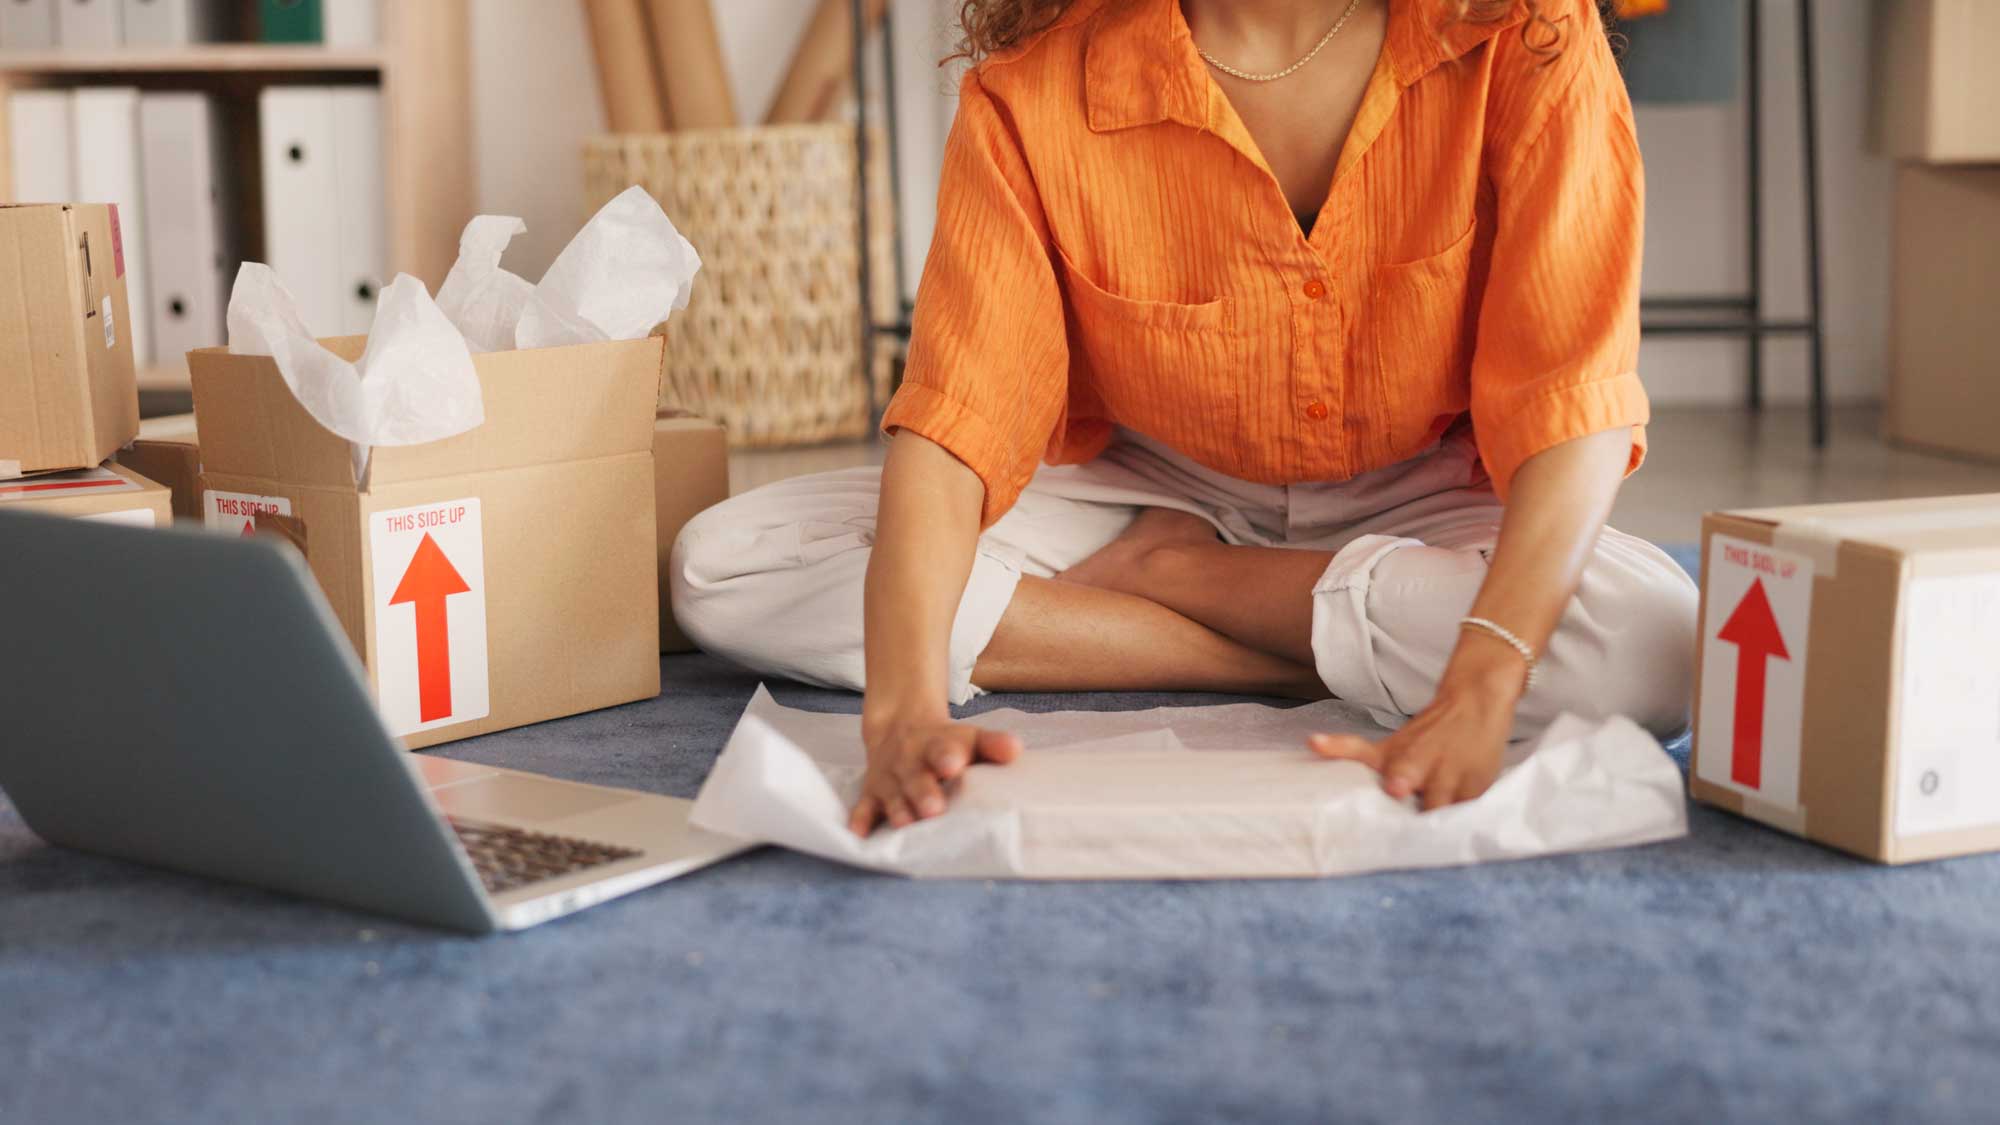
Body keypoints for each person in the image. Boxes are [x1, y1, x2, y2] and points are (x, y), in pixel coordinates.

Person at [672, 0, 1697, 834]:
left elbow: (1571, 409)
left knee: (1662, 643)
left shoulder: (1523, 38)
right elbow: (954, 424)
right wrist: (900, 713)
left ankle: (1185, 586)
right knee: (727, 565)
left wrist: (1479, 684)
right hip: (1149, 485)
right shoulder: (1032, 88)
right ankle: (1284, 658)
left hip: (1421, 490)